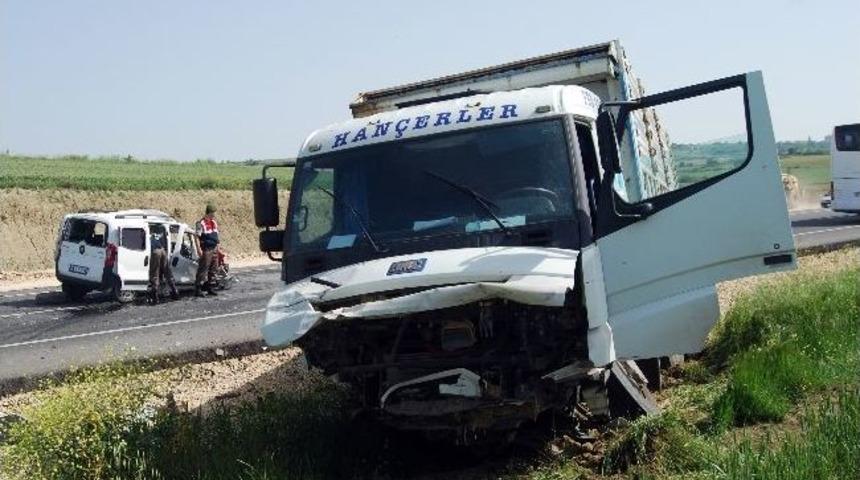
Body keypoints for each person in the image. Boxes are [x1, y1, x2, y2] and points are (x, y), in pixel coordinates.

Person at [148, 223, 178, 304]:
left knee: (155, 273)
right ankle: (174, 291)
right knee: (167, 271)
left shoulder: (149, 234)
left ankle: (155, 296)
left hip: (155, 252)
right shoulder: (162, 231)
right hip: (163, 250)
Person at [195, 203, 221, 297]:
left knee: (213, 268)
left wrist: (218, 247)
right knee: (203, 268)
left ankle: (210, 287)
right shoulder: (200, 223)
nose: (214, 215)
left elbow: (217, 236)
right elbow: (197, 237)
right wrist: (199, 249)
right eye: (213, 213)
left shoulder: (214, 222)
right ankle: (198, 288)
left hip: (214, 248)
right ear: (209, 212)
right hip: (206, 249)